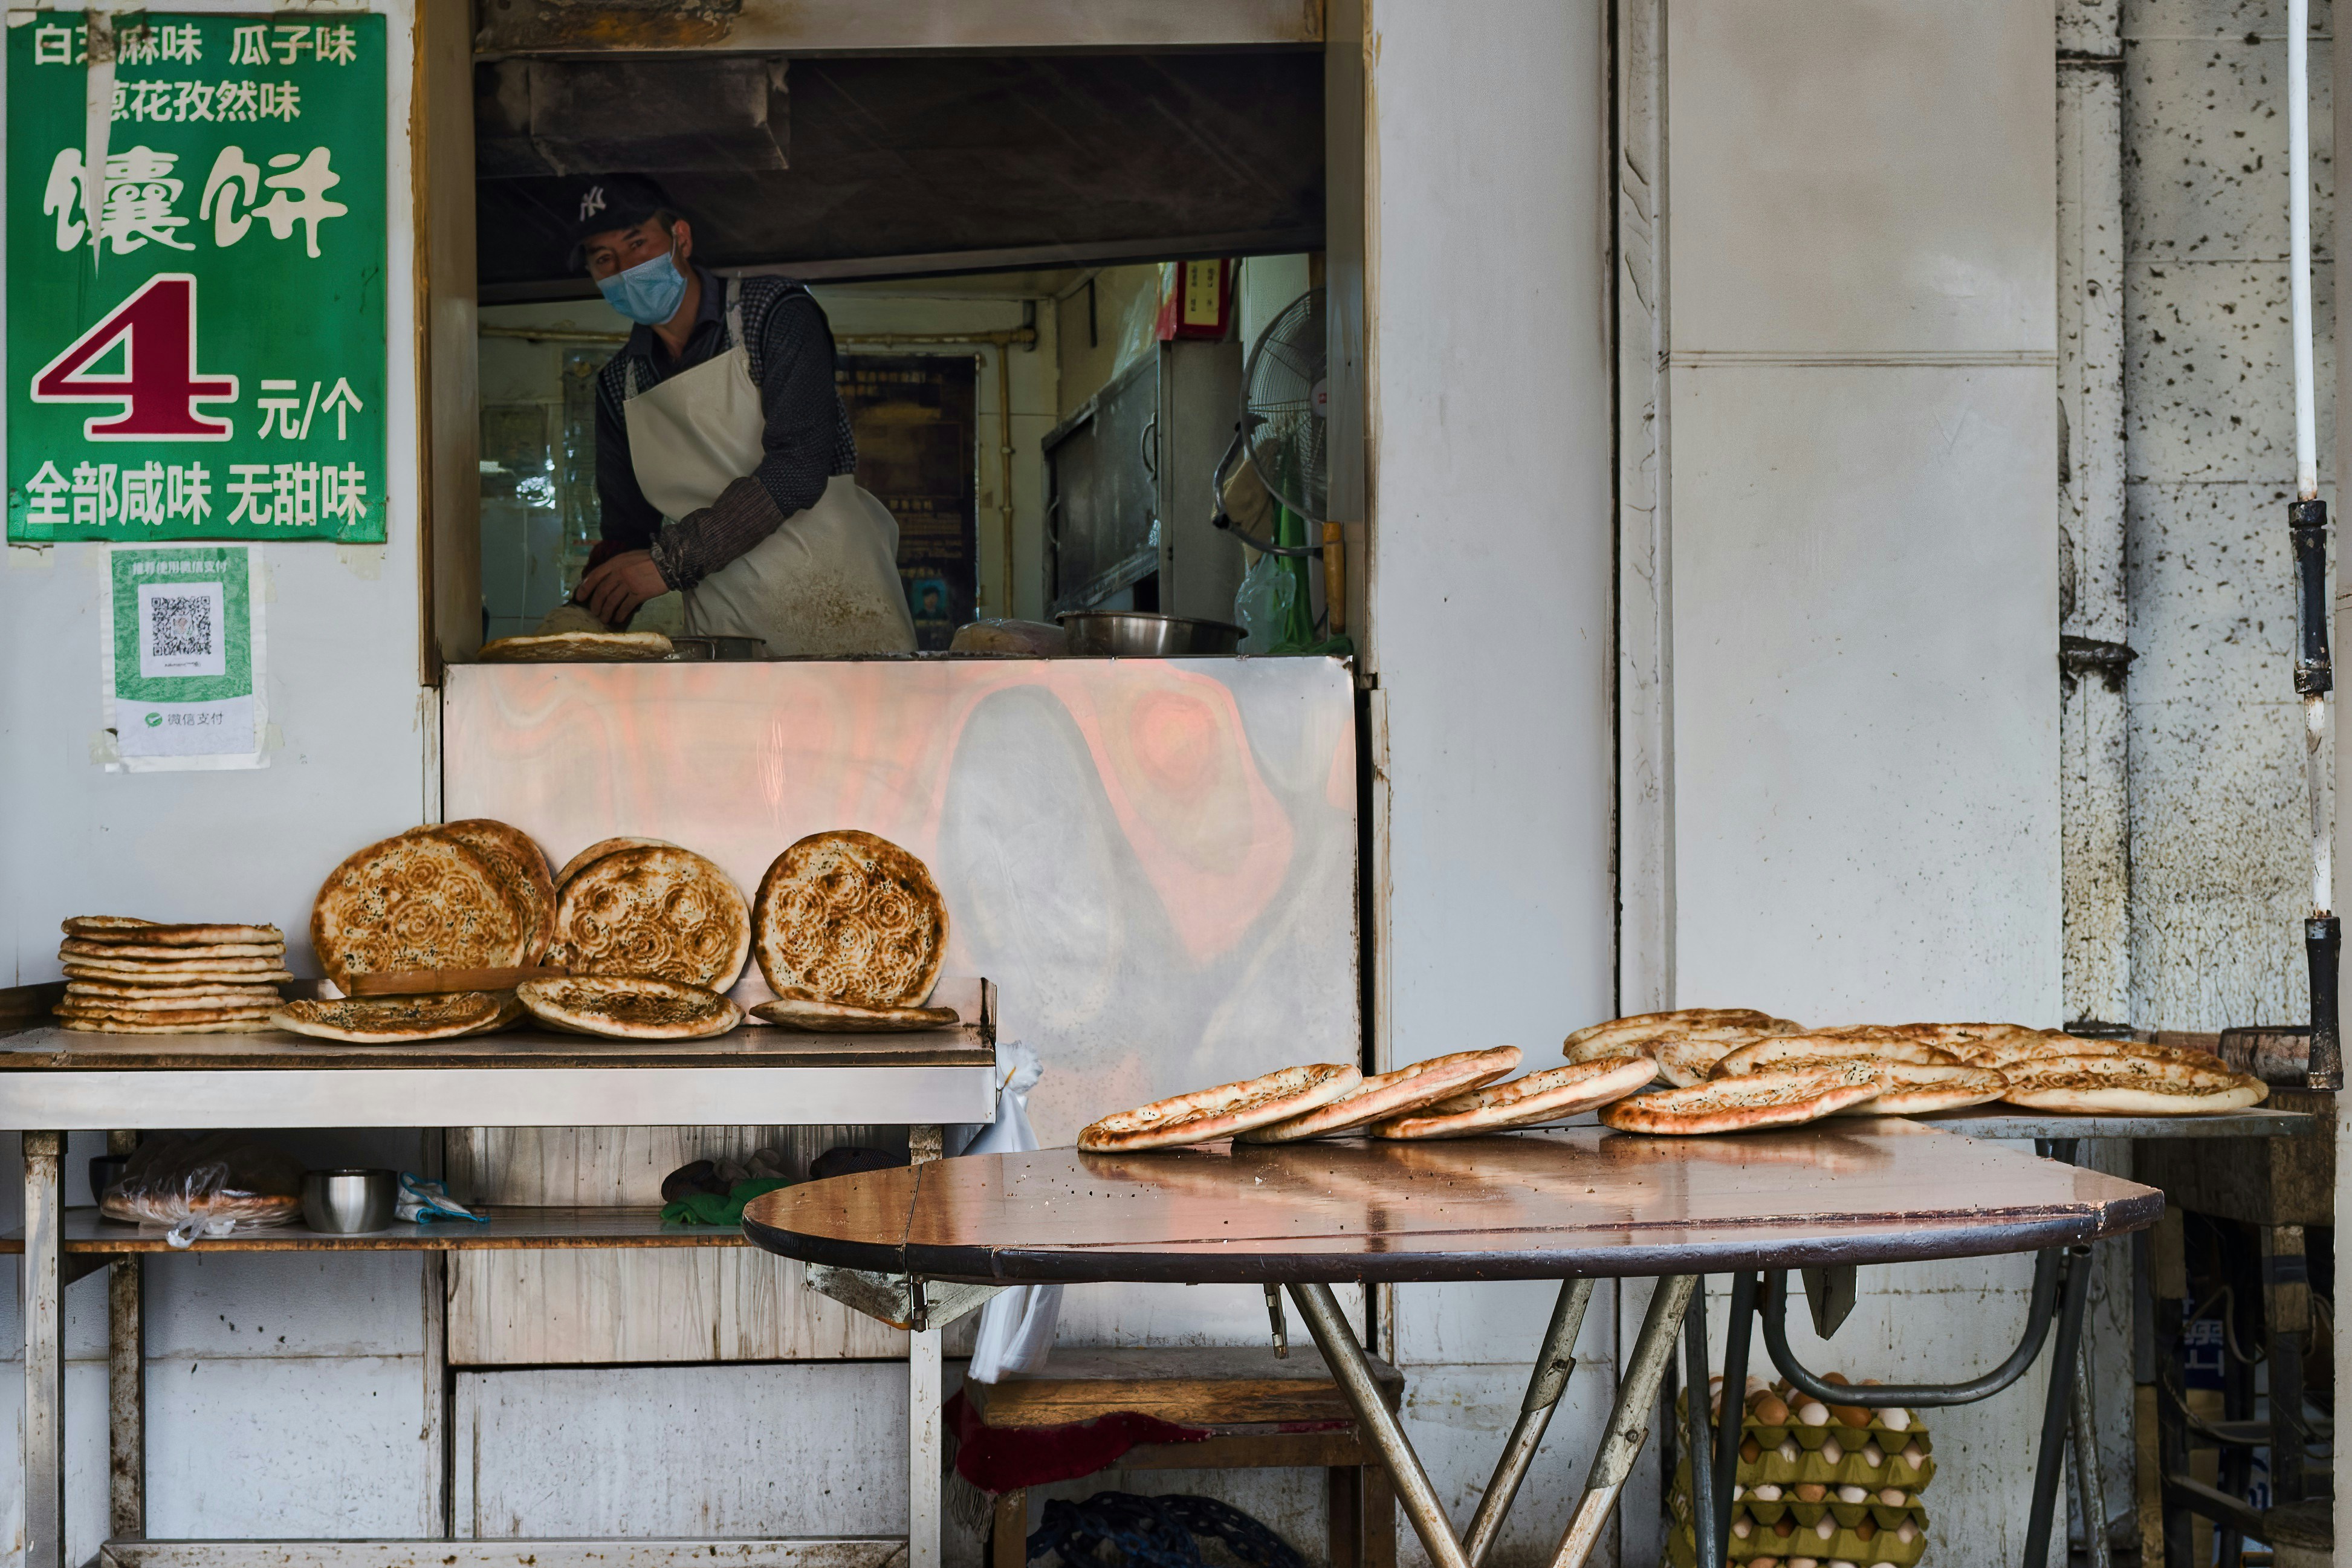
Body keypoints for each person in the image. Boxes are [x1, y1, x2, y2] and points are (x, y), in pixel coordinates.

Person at [557, 174, 917, 655]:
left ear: (680, 238)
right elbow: (627, 532)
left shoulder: (773, 312)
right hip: (726, 635)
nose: (624, 269)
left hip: (845, 613)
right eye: (604, 260)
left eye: (637, 243)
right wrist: (578, 619)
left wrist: (672, 564)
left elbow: (799, 468)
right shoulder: (616, 384)